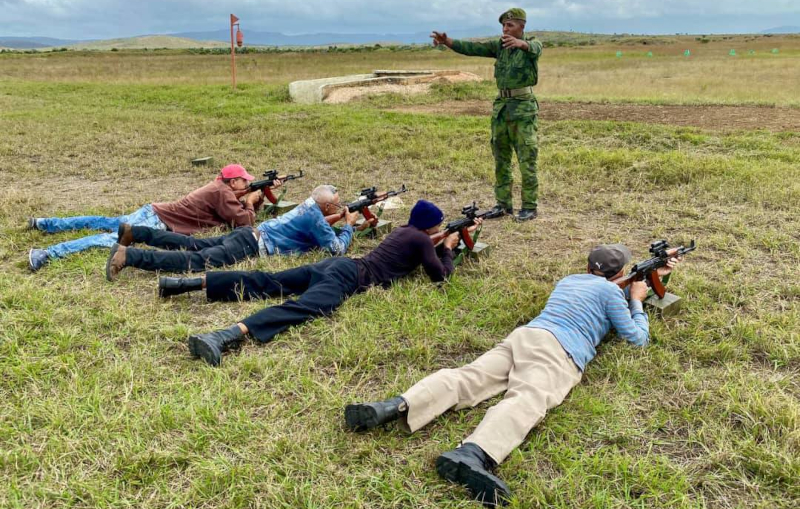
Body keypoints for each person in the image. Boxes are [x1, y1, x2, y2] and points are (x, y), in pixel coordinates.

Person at [344, 244, 682, 507]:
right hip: (559, 351)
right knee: (527, 398)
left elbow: (600, 295)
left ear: (586, 267)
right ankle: (473, 454)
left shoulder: (568, 281)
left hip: (525, 336)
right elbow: (636, 339)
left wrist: (648, 274)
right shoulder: (613, 293)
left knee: (467, 377)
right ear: (621, 273)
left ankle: (396, 405)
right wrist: (637, 300)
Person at [159, 200, 480, 367]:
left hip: (337, 265)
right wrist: (449, 249)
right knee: (300, 308)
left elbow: (421, 245)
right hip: (348, 278)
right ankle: (223, 336)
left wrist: (439, 240)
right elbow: (441, 276)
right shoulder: (422, 241)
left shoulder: (403, 232)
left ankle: (183, 283)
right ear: (430, 227)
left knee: (266, 280)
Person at [27, 164, 265, 271]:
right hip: (156, 221)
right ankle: (48, 253)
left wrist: (251, 198)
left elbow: (234, 211)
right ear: (232, 182)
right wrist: (252, 201)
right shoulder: (222, 192)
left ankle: (45, 223)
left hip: (153, 211)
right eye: (244, 180)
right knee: (107, 238)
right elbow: (243, 222)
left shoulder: (218, 188)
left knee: (104, 221)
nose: (246, 182)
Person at [104, 185, 359, 281]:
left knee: (191, 244)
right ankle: (129, 256)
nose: (337, 207)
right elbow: (335, 249)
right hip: (249, 245)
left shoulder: (309, 207)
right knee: (193, 261)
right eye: (335, 205)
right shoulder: (316, 217)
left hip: (248, 234)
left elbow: (315, 225)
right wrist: (348, 226)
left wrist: (338, 218)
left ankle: (134, 232)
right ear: (325, 205)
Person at [431, 8, 542, 221]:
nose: (505, 29)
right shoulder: (499, 47)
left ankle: (529, 206)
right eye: (503, 25)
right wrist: (448, 42)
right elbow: (473, 48)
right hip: (502, 108)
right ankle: (503, 205)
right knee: (501, 158)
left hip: (523, 108)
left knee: (527, 158)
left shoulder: (532, 44)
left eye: (510, 25)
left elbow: (536, 48)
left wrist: (522, 44)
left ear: (522, 26)